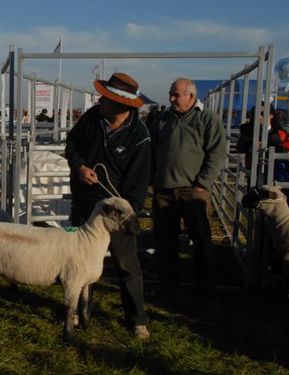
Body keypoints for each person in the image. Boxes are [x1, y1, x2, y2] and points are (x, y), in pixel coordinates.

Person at [65, 72, 151, 340]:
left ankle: (137, 319)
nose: (101, 100)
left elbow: (138, 182)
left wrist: (127, 212)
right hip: (86, 203)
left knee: (126, 264)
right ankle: (77, 310)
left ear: (121, 105)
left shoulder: (139, 137)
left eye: (107, 98)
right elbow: (72, 145)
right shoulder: (92, 118)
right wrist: (79, 166)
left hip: (116, 212)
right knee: (77, 261)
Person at [150, 78, 227, 289]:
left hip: (193, 190)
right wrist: (153, 179)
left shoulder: (207, 119)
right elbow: (153, 150)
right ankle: (168, 279)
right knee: (164, 238)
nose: (171, 98)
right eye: (171, 93)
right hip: (164, 189)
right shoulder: (162, 119)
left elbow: (217, 152)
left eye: (176, 94)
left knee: (200, 235)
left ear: (190, 96)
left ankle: (205, 278)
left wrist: (203, 182)